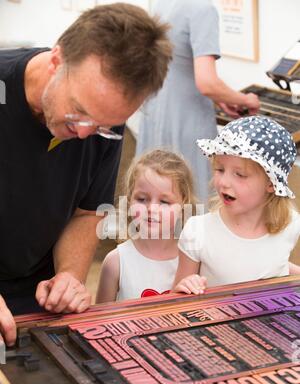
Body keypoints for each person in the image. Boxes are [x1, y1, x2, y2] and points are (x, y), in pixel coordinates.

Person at [0, 3, 173, 345]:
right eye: (78, 112)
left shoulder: (106, 120)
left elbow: (87, 211)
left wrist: (69, 277)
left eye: (102, 127)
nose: (83, 135)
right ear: (56, 61)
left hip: (32, 294)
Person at [136, 0, 260, 203]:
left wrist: (221, 99)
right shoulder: (203, 9)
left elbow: (177, 67)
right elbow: (207, 83)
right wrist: (246, 99)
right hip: (186, 121)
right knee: (193, 199)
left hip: (158, 112)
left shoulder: (162, 4)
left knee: (157, 195)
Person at [173, 115, 300, 295]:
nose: (224, 182)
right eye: (220, 169)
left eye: (239, 174)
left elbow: (274, 262)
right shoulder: (198, 232)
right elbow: (173, 302)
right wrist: (185, 286)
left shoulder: (291, 224)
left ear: (271, 184)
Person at [96, 150, 197, 302]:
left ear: (184, 204)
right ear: (129, 199)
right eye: (142, 199)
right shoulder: (115, 262)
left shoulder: (193, 259)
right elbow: (100, 321)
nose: (151, 209)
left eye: (164, 202)